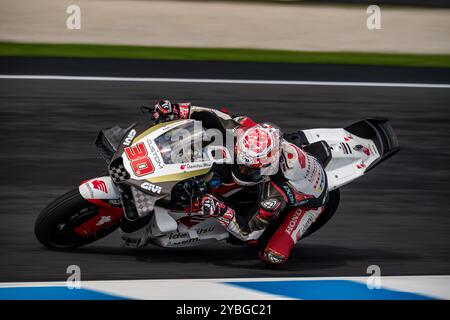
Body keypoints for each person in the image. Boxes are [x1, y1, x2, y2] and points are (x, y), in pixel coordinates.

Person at [151, 99, 329, 266]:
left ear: (269, 166)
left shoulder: (276, 193)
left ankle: (294, 223)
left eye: (250, 170)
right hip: (285, 156)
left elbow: (249, 233)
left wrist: (218, 209)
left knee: (273, 256)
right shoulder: (246, 131)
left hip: (309, 200)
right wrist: (175, 110)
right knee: (220, 156)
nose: (242, 170)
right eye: (242, 165)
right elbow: (215, 116)